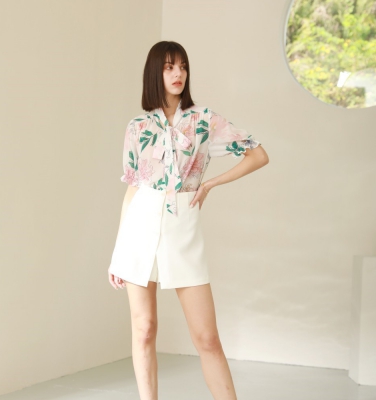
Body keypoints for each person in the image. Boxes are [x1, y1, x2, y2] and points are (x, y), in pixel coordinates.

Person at [108, 40, 269, 400]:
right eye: (169, 67)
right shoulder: (137, 127)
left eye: (182, 66)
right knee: (144, 330)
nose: (178, 73)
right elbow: (133, 189)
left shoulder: (204, 120)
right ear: (155, 72)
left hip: (182, 227)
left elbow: (258, 155)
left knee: (207, 338)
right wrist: (118, 252)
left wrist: (210, 183)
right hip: (139, 230)